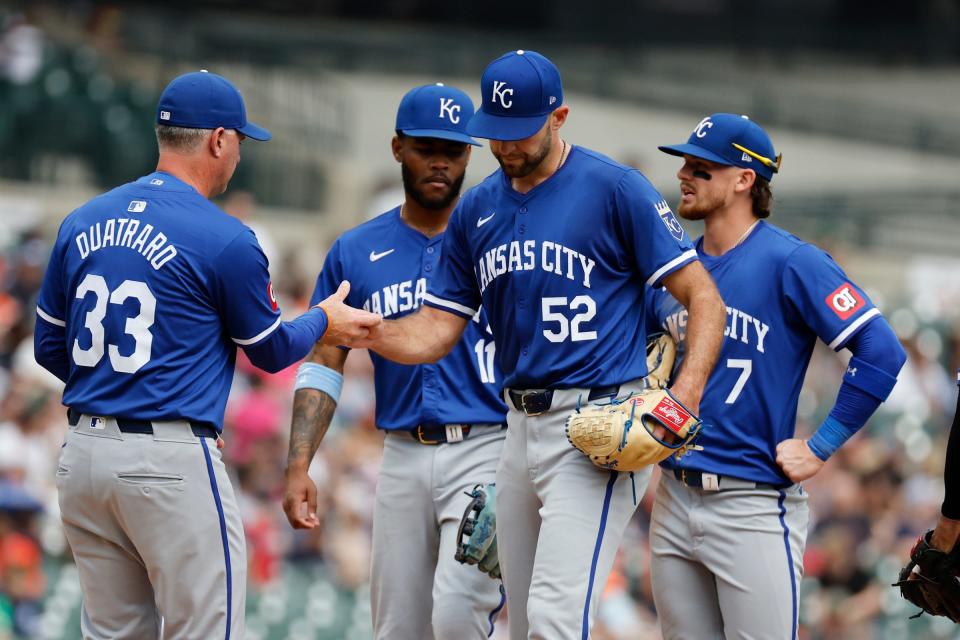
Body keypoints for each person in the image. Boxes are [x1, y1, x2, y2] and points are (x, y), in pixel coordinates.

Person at [347, 50, 727, 639]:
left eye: (519, 133)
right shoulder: (477, 208)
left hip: (598, 424)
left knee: (554, 619)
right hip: (516, 430)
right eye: (494, 134)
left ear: (560, 116)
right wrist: (372, 332)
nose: (506, 148)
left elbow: (703, 298)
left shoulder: (615, 189)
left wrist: (687, 395)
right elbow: (436, 331)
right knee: (524, 622)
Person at [32, 70, 379, 640]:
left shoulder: (82, 220)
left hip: (84, 456)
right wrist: (325, 320)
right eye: (240, 141)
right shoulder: (226, 237)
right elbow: (270, 353)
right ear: (218, 139)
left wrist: (115, 393)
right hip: (167, 460)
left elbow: (51, 345)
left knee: (112, 633)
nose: (239, 155)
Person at [646, 113, 907, 639]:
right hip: (672, 497)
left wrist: (822, 444)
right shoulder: (672, 273)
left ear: (745, 180)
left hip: (752, 502)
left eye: (703, 167)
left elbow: (882, 351)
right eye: (684, 165)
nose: (685, 175)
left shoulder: (792, 261)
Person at [281, 83, 509, 639]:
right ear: (397, 148)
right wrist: (298, 464)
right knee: (396, 628)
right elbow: (324, 359)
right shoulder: (355, 250)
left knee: (458, 617)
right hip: (402, 453)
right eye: (427, 147)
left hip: (487, 447)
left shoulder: (499, 239)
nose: (440, 162)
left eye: (454, 151)